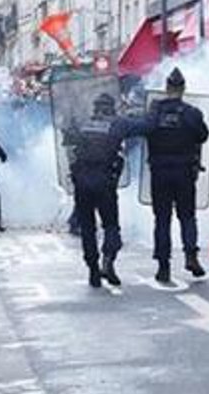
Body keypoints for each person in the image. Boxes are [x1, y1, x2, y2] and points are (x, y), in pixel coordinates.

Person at [64, 93, 150, 287]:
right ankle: (108, 259)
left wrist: (70, 121)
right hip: (105, 183)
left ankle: (93, 269)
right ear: (112, 107)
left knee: (88, 229)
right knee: (111, 225)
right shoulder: (117, 124)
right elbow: (145, 127)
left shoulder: (84, 124)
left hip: (82, 183)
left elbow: (67, 140)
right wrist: (154, 111)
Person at [146, 68, 209, 283]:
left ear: (166, 88)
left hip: (160, 172)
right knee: (187, 216)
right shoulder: (191, 113)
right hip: (184, 171)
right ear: (182, 89)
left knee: (162, 219)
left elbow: (144, 130)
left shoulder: (155, 112)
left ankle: (163, 266)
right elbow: (203, 135)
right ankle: (191, 256)